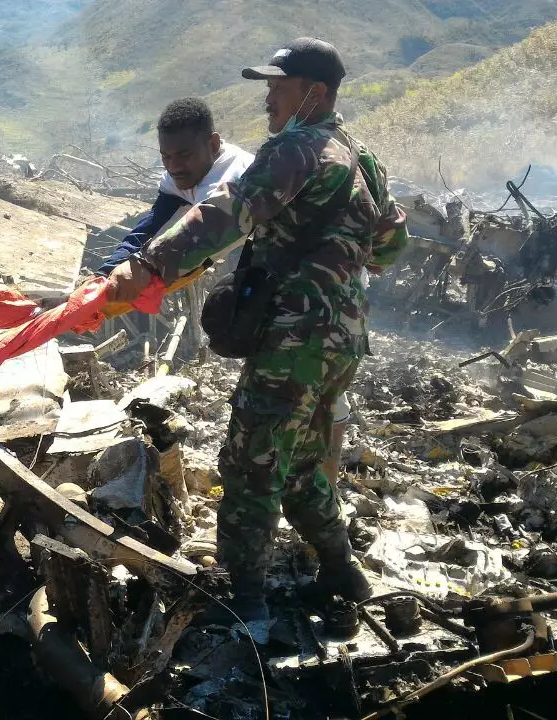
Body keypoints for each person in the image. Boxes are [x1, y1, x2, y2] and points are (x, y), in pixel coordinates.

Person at [108, 38, 409, 634]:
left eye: (279, 85)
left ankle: (244, 605)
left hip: (295, 340)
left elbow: (229, 211)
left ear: (313, 94)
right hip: (343, 339)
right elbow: (392, 243)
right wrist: (339, 256)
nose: (268, 96)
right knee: (296, 465)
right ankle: (342, 570)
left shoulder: (298, 147)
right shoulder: (361, 157)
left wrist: (148, 264)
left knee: (249, 466)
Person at [96, 98, 254, 276]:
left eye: (184, 155)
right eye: (166, 157)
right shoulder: (184, 176)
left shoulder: (231, 182)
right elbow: (147, 229)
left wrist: (140, 268)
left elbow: (197, 246)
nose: (174, 167)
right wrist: (102, 275)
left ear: (213, 144)